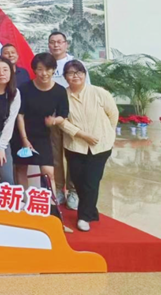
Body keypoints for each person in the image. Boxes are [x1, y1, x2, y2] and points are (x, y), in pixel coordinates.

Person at [47, 60, 118, 232]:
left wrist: (105, 134)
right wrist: (82, 134)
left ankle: (84, 217)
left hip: (100, 146)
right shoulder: (62, 95)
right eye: (70, 73)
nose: (75, 76)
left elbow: (113, 115)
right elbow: (62, 121)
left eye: (79, 72)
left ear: (85, 74)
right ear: (65, 77)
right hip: (75, 146)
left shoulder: (99, 93)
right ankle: (91, 210)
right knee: (78, 181)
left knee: (91, 182)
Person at [13, 53, 69, 196]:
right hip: (22, 134)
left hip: (44, 136)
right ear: (34, 70)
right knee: (21, 168)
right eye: (40, 69)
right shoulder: (24, 89)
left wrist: (54, 121)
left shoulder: (60, 91)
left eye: (48, 69)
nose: (44, 73)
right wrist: (24, 140)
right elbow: (20, 115)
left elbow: (63, 115)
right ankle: (25, 201)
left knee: (48, 172)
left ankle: (51, 203)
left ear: (53, 69)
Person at [47, 31, 88, 208]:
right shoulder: (46, 63)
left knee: (73, 154)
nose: (56, 45)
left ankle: (73, 191)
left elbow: (86, 89)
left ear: (66, 44)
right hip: (53, 116)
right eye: (52, 42)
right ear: (48, 45)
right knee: (55, 155)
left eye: (59, 42)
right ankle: (58, 189)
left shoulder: (76, 64)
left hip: (73, 116)